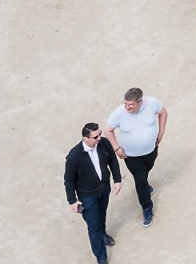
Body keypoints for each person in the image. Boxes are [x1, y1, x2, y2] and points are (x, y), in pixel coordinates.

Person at [105, 87, 167, 228]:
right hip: (132, 157)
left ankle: (145, 184)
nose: (127, 107)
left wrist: (161, 132)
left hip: (151, 151)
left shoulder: (152, 103)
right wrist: (117, 148)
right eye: (125, 103)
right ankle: (147, 208)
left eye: (130, 105)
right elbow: (108, 130)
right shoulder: (119, 113)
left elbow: (163, 113)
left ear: (140, 102)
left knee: (145, 173)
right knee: (140, 181)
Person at [64, 122, 122, 264]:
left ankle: (103, 234)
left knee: (102, 214)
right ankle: (101, 256)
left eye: (100, 134)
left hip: (104, 189)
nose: (99, 138)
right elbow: (68, 180)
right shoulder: (74, 156)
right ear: (85, 138)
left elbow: (113, 161)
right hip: (87, 196)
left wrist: (117, 180)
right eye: (95, 137)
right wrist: (72, 201)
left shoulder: (104, 144)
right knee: (93, 226)